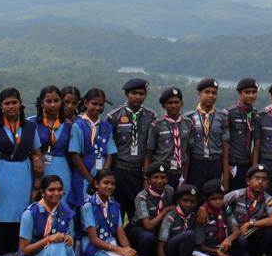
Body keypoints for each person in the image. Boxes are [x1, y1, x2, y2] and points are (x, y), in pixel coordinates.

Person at [0, 88, 42, 256]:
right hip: (0, 174)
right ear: (1, 106)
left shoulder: (29, 127)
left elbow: (36, 151)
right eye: (6, 103)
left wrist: (37, 181)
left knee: (17, 222)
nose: (11, 107)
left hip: (23, 175)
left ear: (21, 104)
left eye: (14, 102)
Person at [10, 175, 92, 256]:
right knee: (57, 246)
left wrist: (69, 239)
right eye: (51, 190)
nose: (56, 193)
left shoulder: (67, 213)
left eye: (59, 189)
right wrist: (49, 239)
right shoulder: (30, 214)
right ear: (42, 192)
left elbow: (71, 240)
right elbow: (24, 251)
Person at [80, 169, 146, 256]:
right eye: (106, 183)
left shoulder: (114, 205)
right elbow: (94, 239)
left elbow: (120, 231)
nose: (110, 186)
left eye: (113, 184)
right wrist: (120, 250)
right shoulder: (88, 206)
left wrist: (128, 250)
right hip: (94, 247)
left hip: (111, 244)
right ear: (96, 184)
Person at [107, 78, 156, 221]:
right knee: (117, 212)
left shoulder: (150, 116)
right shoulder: (114, 116)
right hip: (119, 170)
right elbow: (108, 147)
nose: (138, 97)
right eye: (134, 93)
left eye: (141, 93)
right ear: (126, 95)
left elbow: (150, 148)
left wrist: (146, 175)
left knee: (137, 214)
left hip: (138, 172)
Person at [195, 179, 253, 256]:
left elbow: (236, 231)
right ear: (206, 200)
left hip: (222, 248)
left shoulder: (225, 209)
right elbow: (200, 245)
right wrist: (215, 251)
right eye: (213, 199)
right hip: (208, 252)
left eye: (220, 198)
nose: (218, 202)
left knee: (244, 252)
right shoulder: (202, 215)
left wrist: (228, 239)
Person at [68, 88, 117, 213]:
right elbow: (75, 155)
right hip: (83, 175)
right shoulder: (78, 125)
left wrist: (103, 176)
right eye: (94, 104)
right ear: (85, 103)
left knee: (99, 208)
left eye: (101, 105)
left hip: (101, 179)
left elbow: (110, 153)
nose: (98, 107)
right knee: (83, 207)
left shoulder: (106, 126)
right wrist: (91, 179)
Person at [224, 164, 272, 256]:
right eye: (257, 178)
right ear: (248, 181)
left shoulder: (268, 200)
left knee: (270, 231)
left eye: (264, 179)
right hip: (234, 236)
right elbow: (217, 203)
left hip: (251, 236)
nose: (260, 182)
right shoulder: (236, 195)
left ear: (267, 183)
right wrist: (203, 208)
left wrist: (251, 223)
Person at [128, 162, 174, 256]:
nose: (159, 181)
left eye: (163, 177)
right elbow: (147, 225)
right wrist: (165, 210)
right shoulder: (142, 197)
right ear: (148, 180)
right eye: (155, 177)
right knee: (148, 237)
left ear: (167, 179)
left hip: (159, 227)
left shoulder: (169, 191)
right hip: (139, 228)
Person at [30, 86, 75, 208]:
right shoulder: (31, 123)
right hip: (39, 168)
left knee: (61, 202)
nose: (53, 105)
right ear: (41, 103)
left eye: (56, 101)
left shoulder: (69, 125)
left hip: (62, 167)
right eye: (48, 101)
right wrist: (35, 158)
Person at [185, 78, 228, 194]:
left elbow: (225, 148)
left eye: (214, 93)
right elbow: (187, 150)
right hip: (196, 163)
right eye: (207, 92)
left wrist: (226, 179)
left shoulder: (222, 118)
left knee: (214, 197)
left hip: (215, 163)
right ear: (199, 94)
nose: (210, 96)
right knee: (195, 196)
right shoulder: (189, 118)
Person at [144, 86, 192, 190]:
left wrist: (185, 177)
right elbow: (149, 153)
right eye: (169, 103)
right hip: (161, 173)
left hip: (180, 172)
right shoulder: (157, 125)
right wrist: (146, 178)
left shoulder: (188, 123)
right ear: (163, 106)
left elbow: (187, 152)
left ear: (182, 103)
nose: (173, 106)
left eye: (176, 102)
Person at [156, 183, 201, 256]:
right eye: (185, 201)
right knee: (189, 235)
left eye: (192, 201)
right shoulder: (171, 217)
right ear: (178, 201)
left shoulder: (194, 217)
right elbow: (160, 247)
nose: (189, 205)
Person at [225, 77, 260, 191]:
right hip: (234, 164)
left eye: (254, 92)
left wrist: (254, 167)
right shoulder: (230, 113)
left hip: (250, 163)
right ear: (240, 93)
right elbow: (225, 142)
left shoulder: (256, 114)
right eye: (247, 92)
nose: (251, 95)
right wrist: (227, 165)